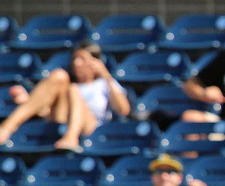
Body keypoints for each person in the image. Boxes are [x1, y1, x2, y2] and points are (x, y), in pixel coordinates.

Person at [0, 40, 130, 149]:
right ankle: (6, 128)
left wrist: (106, 75)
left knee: (73, 90)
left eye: (83, 59)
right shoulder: (68, 84)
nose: (76, 63)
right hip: (62, 122)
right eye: (75, 58)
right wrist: (28, 101)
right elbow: (49, 113)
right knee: (59, 75)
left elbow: (123, 109)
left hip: (92, 129)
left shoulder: (104, 83)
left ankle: (71, 137)